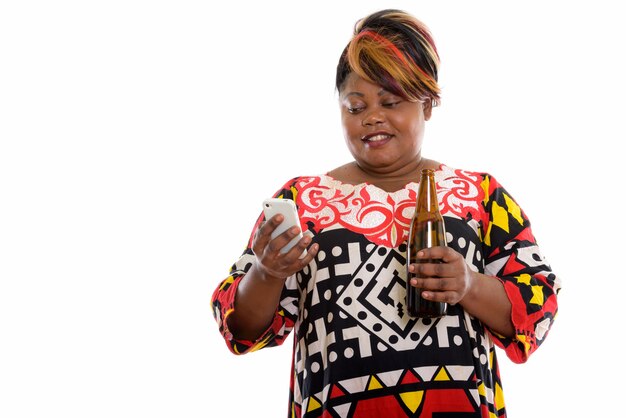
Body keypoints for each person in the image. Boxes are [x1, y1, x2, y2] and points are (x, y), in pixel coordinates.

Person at [211, 8, 560, 418]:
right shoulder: (302, 200)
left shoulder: (480, 196)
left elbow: (536, 309)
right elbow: (240, 329)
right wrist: (268, 273)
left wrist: (468, 285)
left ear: (427, 103)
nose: (372, 117)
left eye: (390, 101)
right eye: (355, 107)